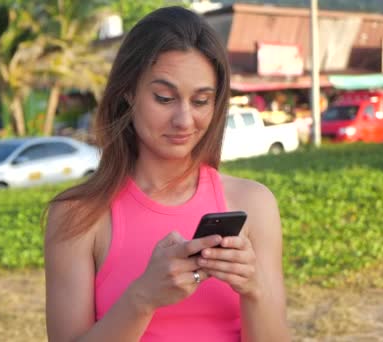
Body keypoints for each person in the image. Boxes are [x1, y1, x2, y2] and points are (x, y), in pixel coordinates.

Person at [44, 6, 290, 342]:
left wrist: (254, 289)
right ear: (128, 92)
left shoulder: (254, 204)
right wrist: (142, 298)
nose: (184, 120)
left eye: (201, 100)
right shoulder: (77, 215)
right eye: (164, 98)